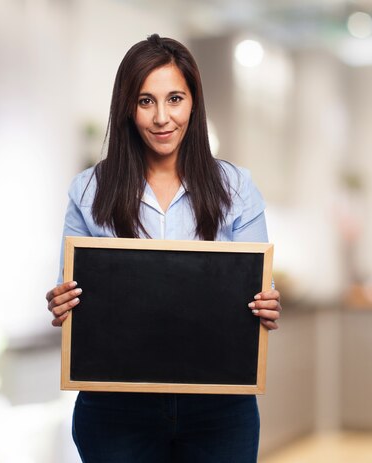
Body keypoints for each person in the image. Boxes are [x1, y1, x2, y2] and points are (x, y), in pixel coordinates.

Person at [45, 34, 282, 462]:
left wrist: (266, 306)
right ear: (126, 108)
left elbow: (255, 289)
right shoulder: (88, 190)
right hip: (115, 408)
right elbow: (71, 293)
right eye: (145, 101)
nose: (161, 117)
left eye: (174, 98)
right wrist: (61, 301)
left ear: (194, 102)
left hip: (219, 407)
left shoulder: (237, 188)